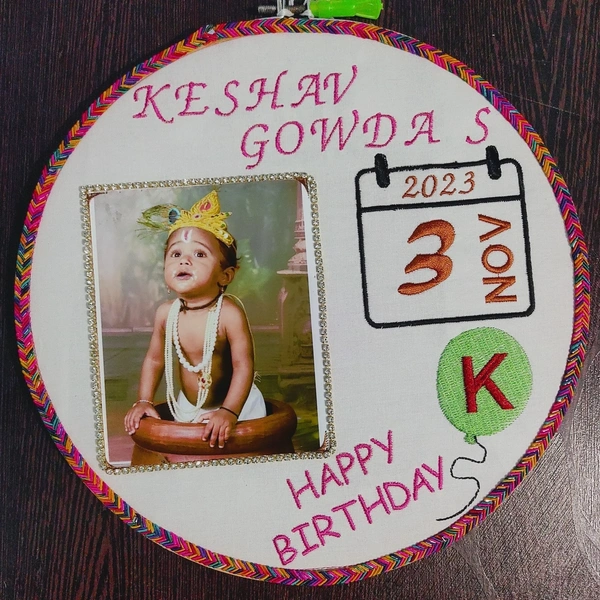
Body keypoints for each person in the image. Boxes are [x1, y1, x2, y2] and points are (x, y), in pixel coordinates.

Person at [123, 190, 266, 449]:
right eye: (175, 254)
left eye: (199, 254)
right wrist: (143, 400)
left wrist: (229, 412)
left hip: (239, 408)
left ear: (225, 275)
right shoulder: (166, 313)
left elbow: (243, 365)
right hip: (188, 408)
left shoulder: (228, 313)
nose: (184, 261)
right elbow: (154, 360)